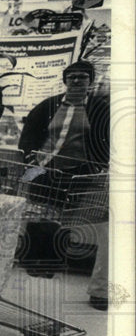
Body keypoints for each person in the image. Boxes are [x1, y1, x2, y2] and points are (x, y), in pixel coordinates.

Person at [16, 60, 110, 308]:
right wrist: (29, 157)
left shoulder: (101, 109)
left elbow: (108, 140)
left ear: (90, 81)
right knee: (41, 217)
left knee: (64, 221)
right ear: (65, 80)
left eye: (83, 77)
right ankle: (35, 265)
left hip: (79, 173)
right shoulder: (49, 105)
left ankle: (52, 266)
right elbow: (30, 132)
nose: (77, 81)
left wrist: (98, 165)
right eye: (73, 77)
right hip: (44, 169)